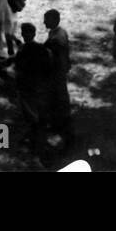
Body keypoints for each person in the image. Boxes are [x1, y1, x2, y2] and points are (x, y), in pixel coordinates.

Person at [13, 23, 53, 154]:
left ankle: (35, 141)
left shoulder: (24, 51)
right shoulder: (41, 49)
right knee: (37, 112)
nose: (24, 35)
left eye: (25, 33)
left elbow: (19, 67)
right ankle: (37, 137)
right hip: (39, 87)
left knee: (30, 114)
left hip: (27, 87)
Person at [43, 9, 72, 143]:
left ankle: (59, 124)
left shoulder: (56, 38)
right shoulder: (60, 32)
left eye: (46, 20)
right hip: (60, 70)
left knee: (57, 96)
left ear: (53, 20)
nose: (44, 22)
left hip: (56, 71)